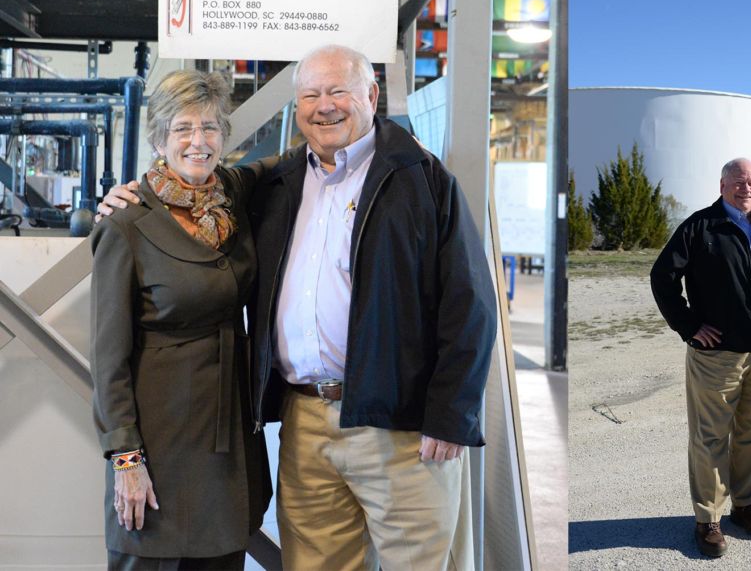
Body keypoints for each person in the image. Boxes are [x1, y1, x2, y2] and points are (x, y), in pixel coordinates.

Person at [101, 44, 497, 570]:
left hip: (398, 427)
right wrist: (125, 197)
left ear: (371, 96)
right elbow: (110, 351)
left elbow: (469, 304)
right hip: (304, 422)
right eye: (310, 94)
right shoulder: (280, 183)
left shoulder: (420, 179)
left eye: (338, 91)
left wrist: (453, 414)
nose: (323, 106)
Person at [90, 70, 272, 570]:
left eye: (211, 127)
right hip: (158, 443)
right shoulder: (127, 224)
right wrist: (125, 459)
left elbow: (295, 161)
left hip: (227, 440)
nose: (198, 141)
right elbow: (108, 360)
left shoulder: (230, 199)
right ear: (158, 138)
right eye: (183, 128)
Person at [650, 158, 751, 558]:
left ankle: (746, 505)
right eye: (738, 181)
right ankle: (708, 518)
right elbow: (662, 276)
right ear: (723, 184)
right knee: (710, 436)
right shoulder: (701, 226)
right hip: (718, 354)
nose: (746, 188)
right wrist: (688, 325)